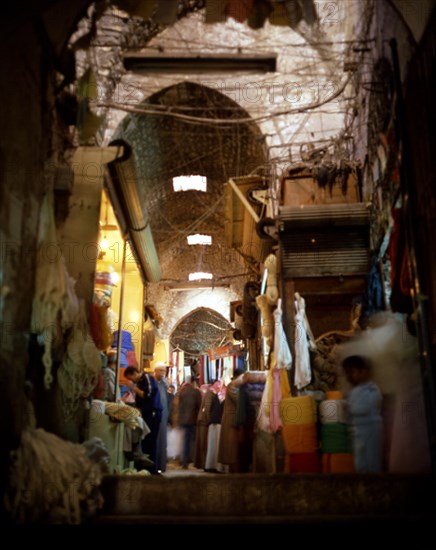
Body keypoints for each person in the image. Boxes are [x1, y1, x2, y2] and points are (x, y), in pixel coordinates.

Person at [342, 354, 383, 472]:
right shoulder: (353, 392)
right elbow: (350, 415)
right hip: (358, 430)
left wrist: (349, 407)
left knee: (373, 461)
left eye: (352, 372)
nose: (349, 376)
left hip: (371, 428)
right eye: (347, 373)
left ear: (363, 372)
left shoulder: (372, 389)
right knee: (360, 463)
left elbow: (366, 407)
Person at [124, 365, 163, 474]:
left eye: (130, 378)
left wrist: (133, 388)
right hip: (146, 413)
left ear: (135, 373)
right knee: (145, 440)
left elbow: (147, 395)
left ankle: (152, 469)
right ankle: (146, 468)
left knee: (151, 440)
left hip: (153, 413)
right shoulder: (140, 382)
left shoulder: (147, 378)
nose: (131, 381)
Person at [177, 376, 202, 469]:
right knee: (194, 441)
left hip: (183, 420)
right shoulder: (196, 392)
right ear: (193, 382)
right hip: (192, 420)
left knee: (185, 441)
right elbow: (199, 406)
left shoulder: (182, 392)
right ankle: (194, 461)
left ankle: (184, 462)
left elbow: (180, 406)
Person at [153, 362, 169, 473]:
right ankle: (154, 465)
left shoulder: (164, 384)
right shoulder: (152, 382)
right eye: (161, 371)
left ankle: (161, 466)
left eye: (164, 371)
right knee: (155, 440)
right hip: (155, 415)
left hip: (163, 416)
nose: (163, 373)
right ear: (156, 371)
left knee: (162, 440)